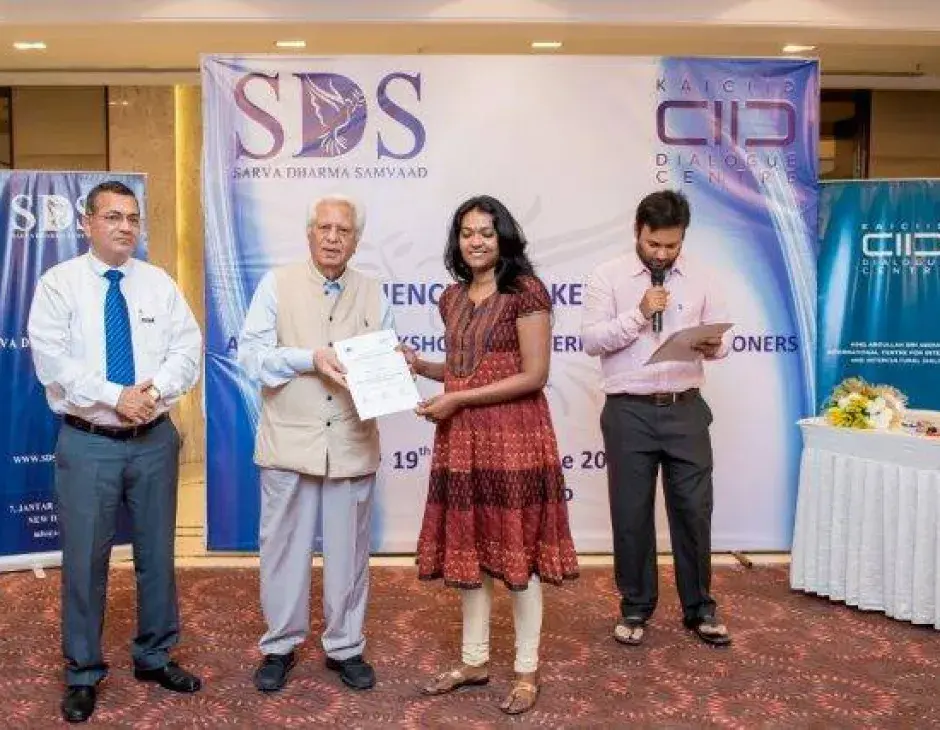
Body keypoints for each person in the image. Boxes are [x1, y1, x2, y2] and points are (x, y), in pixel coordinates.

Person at [27, 180, 203, 724]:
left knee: (157, 557)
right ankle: (83, 671)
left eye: (133, 217)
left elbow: (187, 347)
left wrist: (150, 394)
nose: (126, 226)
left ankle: (153, 655)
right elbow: (52, 362)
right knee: (84, 562)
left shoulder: (157, 283)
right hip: (89, 442)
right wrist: (114, 396)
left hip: (152, 439)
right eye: (113, 217)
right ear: (87, 223)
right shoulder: (59, 284)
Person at [406, 195, 579, 716]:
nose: (475, 241)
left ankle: (526, 670)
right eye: (466, 233)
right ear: (456, 241)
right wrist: (418, 365)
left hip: (515, 438)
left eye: (485, 231)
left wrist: (457, 397)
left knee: (517, 554)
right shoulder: (452, 297)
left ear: (503, 237)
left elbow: (534, 375)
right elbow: (464, 368)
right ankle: (474, 661)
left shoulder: (525, 292)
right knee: (473, 550)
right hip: (463, 441)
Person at [238, 194, 395, 694]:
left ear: (356, 239)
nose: (332, 237)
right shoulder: (276, 284)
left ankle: (345, 646)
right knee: (282, 550)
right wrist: (311, 357)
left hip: (350, 443)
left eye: (343, 230)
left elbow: (384, 362)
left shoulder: (374, 292)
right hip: (289, 442)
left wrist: (395, 365)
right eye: (324, 228)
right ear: (309, 233)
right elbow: (252, 358)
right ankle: (280, 645)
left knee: (349, 553)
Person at [581, 189, 732, 648]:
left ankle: (699, 608)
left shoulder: (703, 276)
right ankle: (635, 606)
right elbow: (591, 339)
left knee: (693, 511)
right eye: (654, 244)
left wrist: (713, 344)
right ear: (637, 233)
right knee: (631, 513)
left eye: (672, 245)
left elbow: (722, 337)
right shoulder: (606, 277)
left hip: (686, 407)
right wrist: (639, 314)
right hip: (630, 411)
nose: (662, 253)